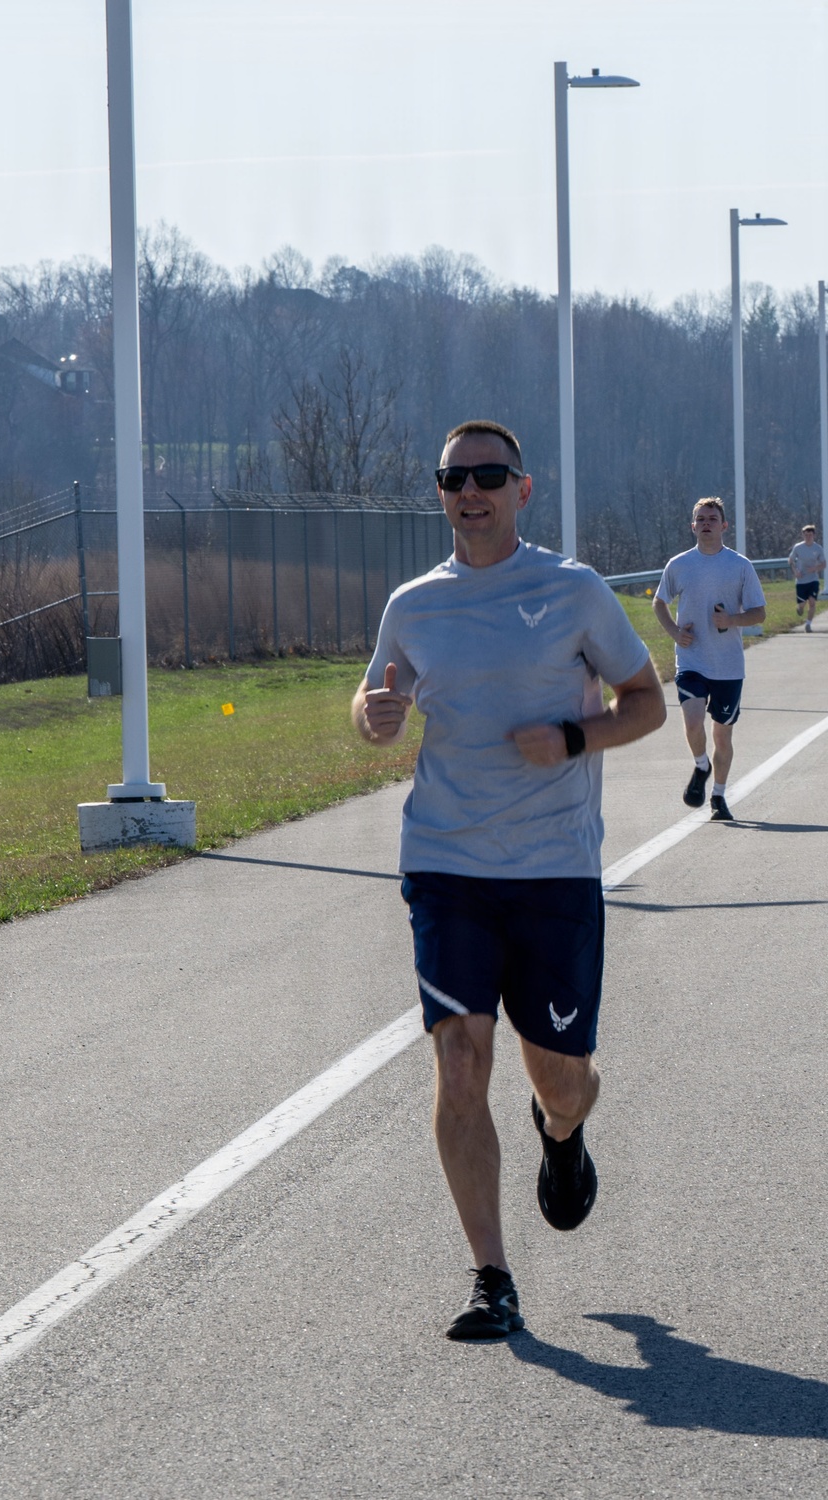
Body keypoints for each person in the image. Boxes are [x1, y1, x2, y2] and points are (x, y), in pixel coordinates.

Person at [351, 420, 666, 1341]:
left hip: (553, 870)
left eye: (490, 475)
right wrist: (373, 717)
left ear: (522, 490)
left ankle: (561, 1132)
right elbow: (380, 699)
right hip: (447, 864)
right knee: (459, 1061)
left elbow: (645, 701)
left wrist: (575, 738)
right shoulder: (414, 604)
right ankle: (492, 1276)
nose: (471, 491)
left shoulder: (572, 591)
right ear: (441, 493)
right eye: (455, 478)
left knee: (563, 1079)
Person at [652, 498, 766, 822]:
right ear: (692, 526)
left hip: (728, 665)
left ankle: (718, 795)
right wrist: (675, 632)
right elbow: (659, 603)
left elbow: (760, 612)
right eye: (700, 519)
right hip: (691, 658)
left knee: (722, 735)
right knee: (691, 721)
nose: (706, 523)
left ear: (724, 525)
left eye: (712, 519)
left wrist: (731, 620)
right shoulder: (679, 564)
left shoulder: (740, 565)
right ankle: (701, 765)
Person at [788, 523, 825, 633]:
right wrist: (795, 571)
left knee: (812, 602)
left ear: (814, 535)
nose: (808, 537)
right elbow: (790, 560)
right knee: (802, 603)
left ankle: (808, 624)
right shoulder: (798, 547)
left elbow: (824, 564)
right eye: (806, 535)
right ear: (803, 535)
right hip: (801, 580)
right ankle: (800, 608)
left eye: (810, 535)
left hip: (813, 579)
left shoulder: (818, 548)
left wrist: (815, 568)